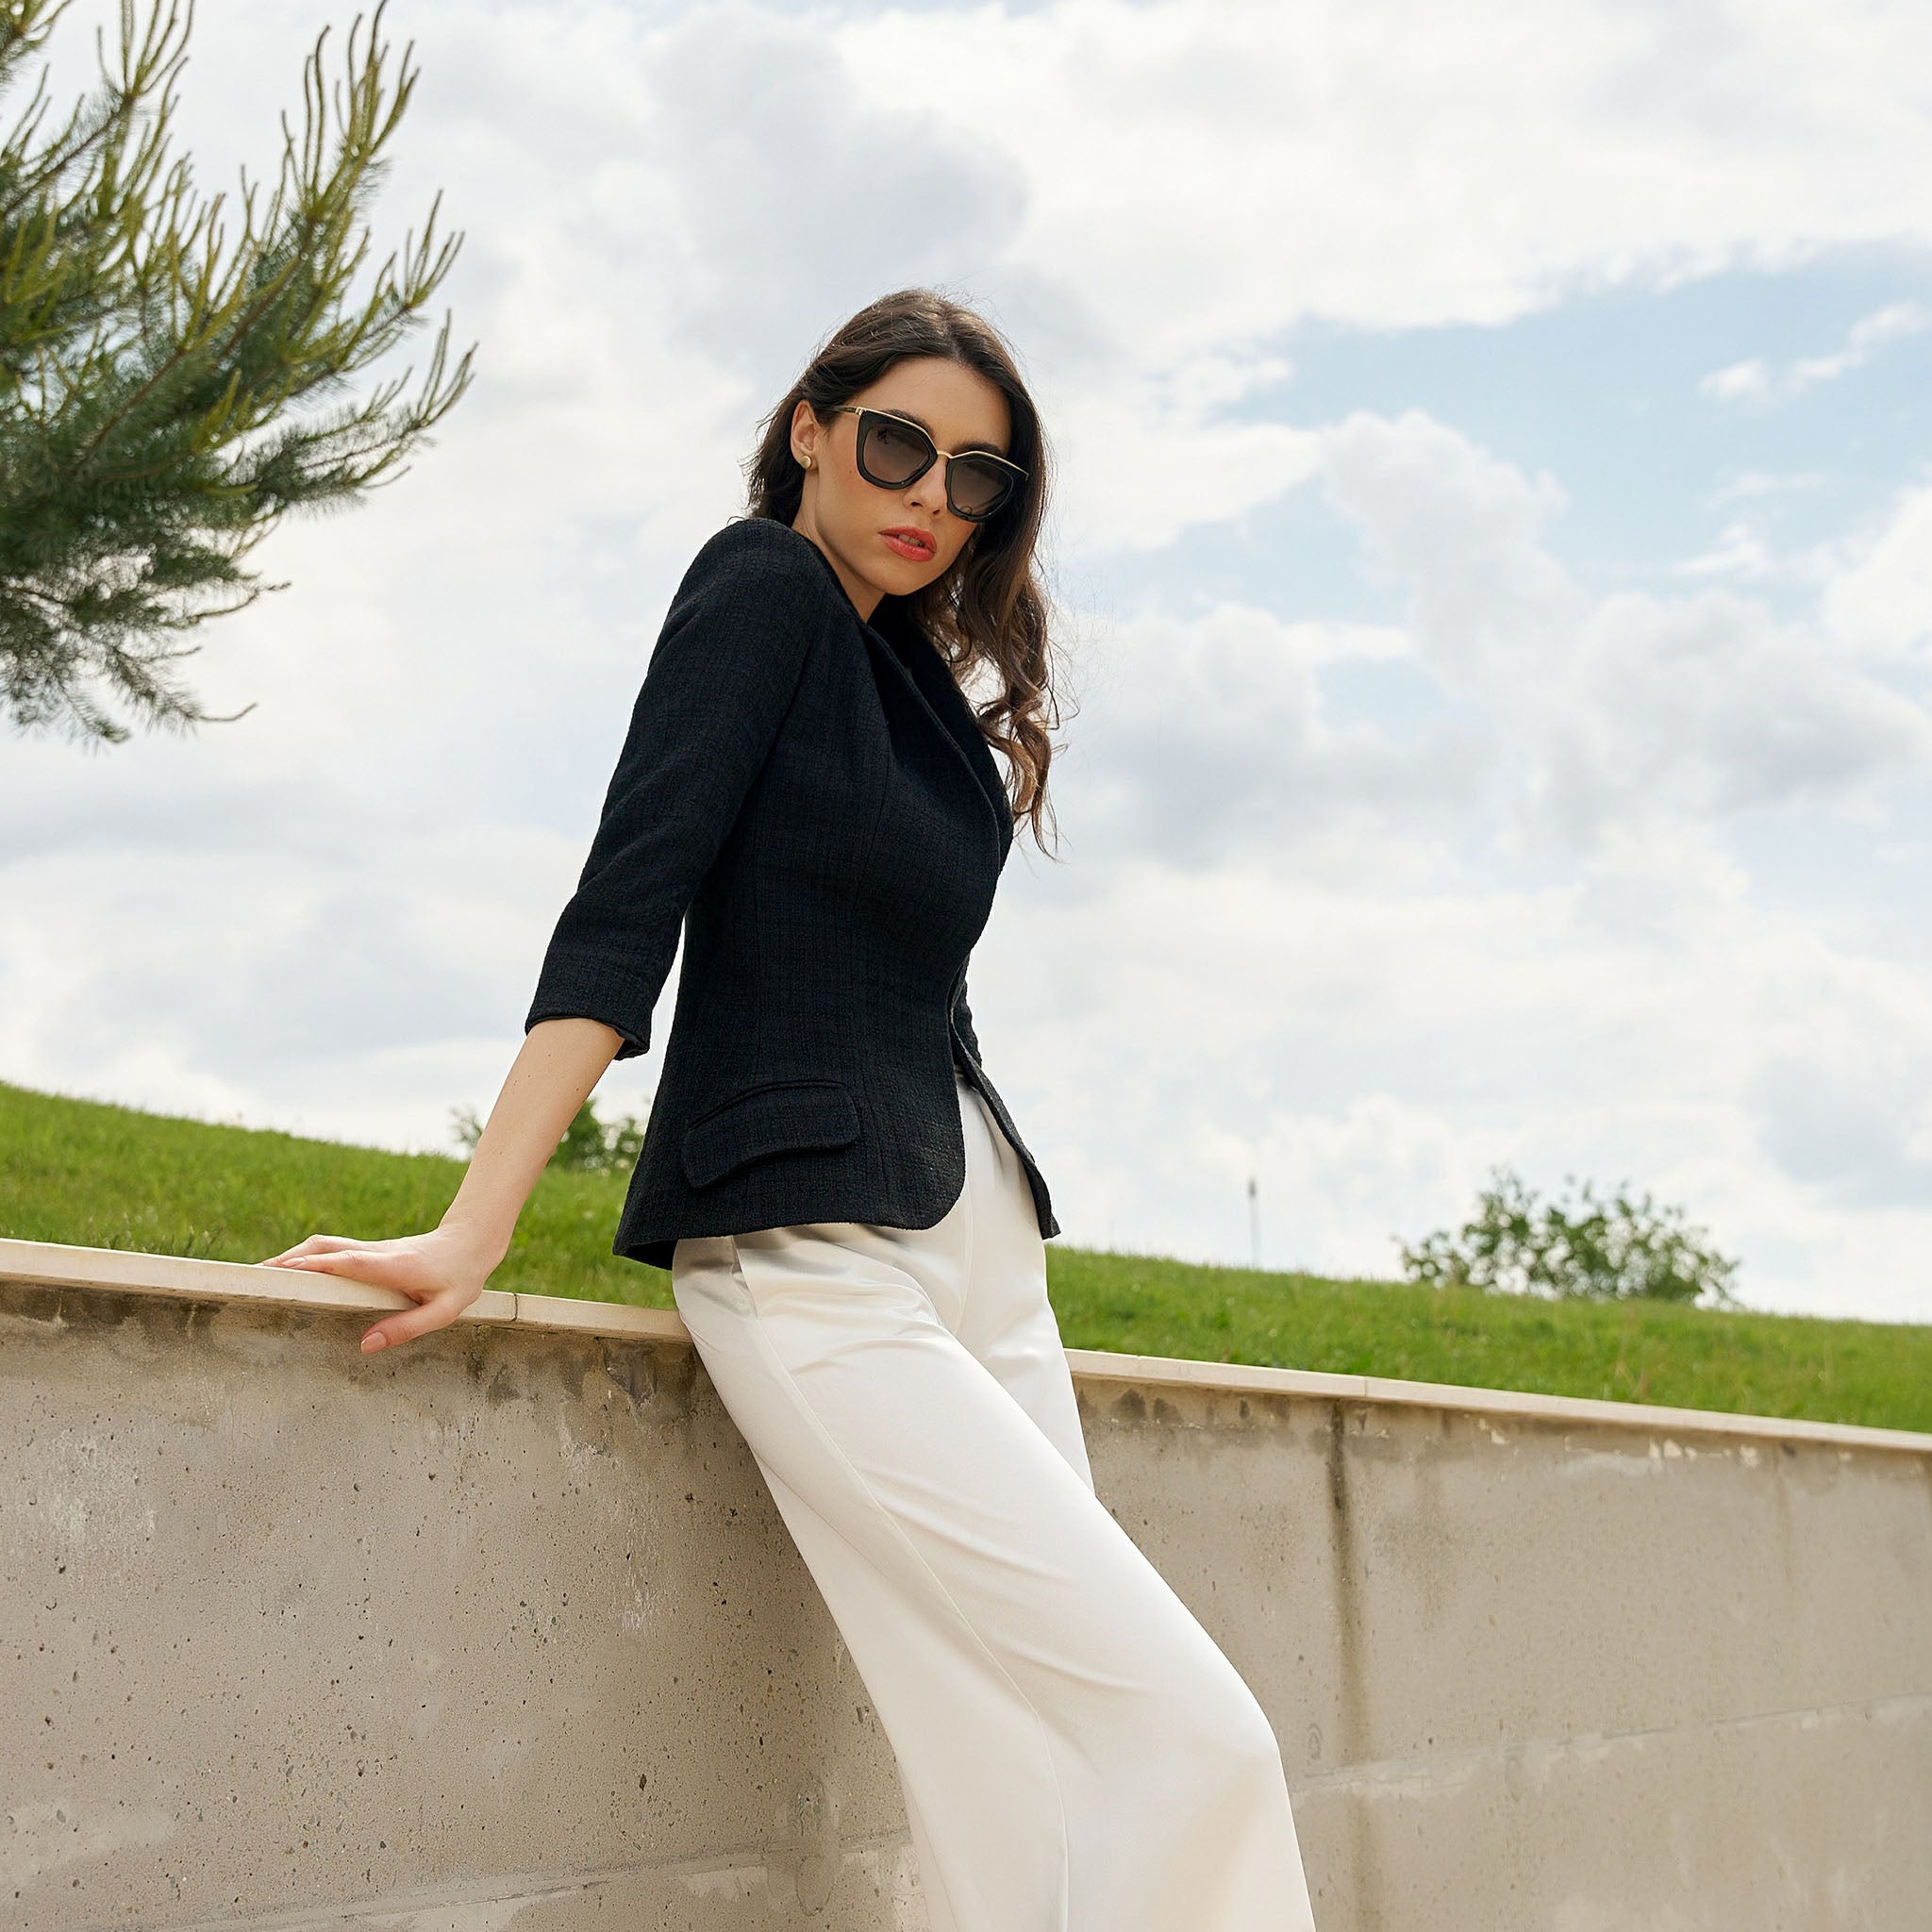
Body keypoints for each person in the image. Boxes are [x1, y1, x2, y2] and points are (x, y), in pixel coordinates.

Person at [263, 288, 1320, 1932]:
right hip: (816, 1257)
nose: (930, 497)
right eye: (899, 442)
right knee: (1201, 1742)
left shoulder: (908, 675)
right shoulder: (758, 585)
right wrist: (477, 1225)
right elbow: (630, 904)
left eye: (977, 477)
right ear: (813, 425)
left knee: (1012, 1779)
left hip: (978, 1249)